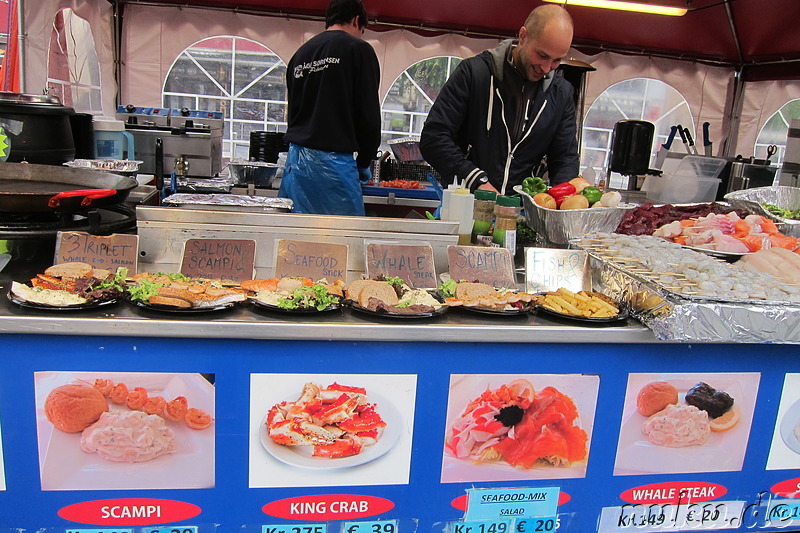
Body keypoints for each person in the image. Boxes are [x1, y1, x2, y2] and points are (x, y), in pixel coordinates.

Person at [420, 4, 579, 195]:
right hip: (465, 204)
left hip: (519, 214)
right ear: (523, 36)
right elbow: (434, 138)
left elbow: (565, 160)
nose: (546, 68)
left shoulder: (561, 94)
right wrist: (475, 179)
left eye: (556, 60)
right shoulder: (474, 74)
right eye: (542, 55)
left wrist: (564, 203)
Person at [278, 0, 381, 216]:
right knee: (342, 241)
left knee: (295, 241)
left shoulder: (300, 55)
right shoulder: (358, 49)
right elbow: (368, 116)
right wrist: (364, 162)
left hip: (296, 165)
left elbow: (293, 115)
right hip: (333, 169)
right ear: (356, 20)